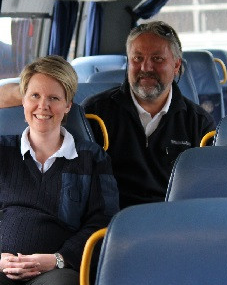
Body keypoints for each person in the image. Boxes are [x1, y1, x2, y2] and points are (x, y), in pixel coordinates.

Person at [0, 56, 119, 285]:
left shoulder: (92, 158)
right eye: (35, 96)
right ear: (23, 101)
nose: (43, 106)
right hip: (1, 265)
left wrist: (58, 259)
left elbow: (103, 221)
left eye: (54, 98)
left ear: (67, 106)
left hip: (58, 269)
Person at [82, 21, 215, 209]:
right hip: (111, 224)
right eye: (137, 58)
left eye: (157, 59)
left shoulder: (198, 123)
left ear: (176, 65)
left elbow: (205, 191)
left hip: (172, 222)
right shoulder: (95, 112)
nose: (146, 68)